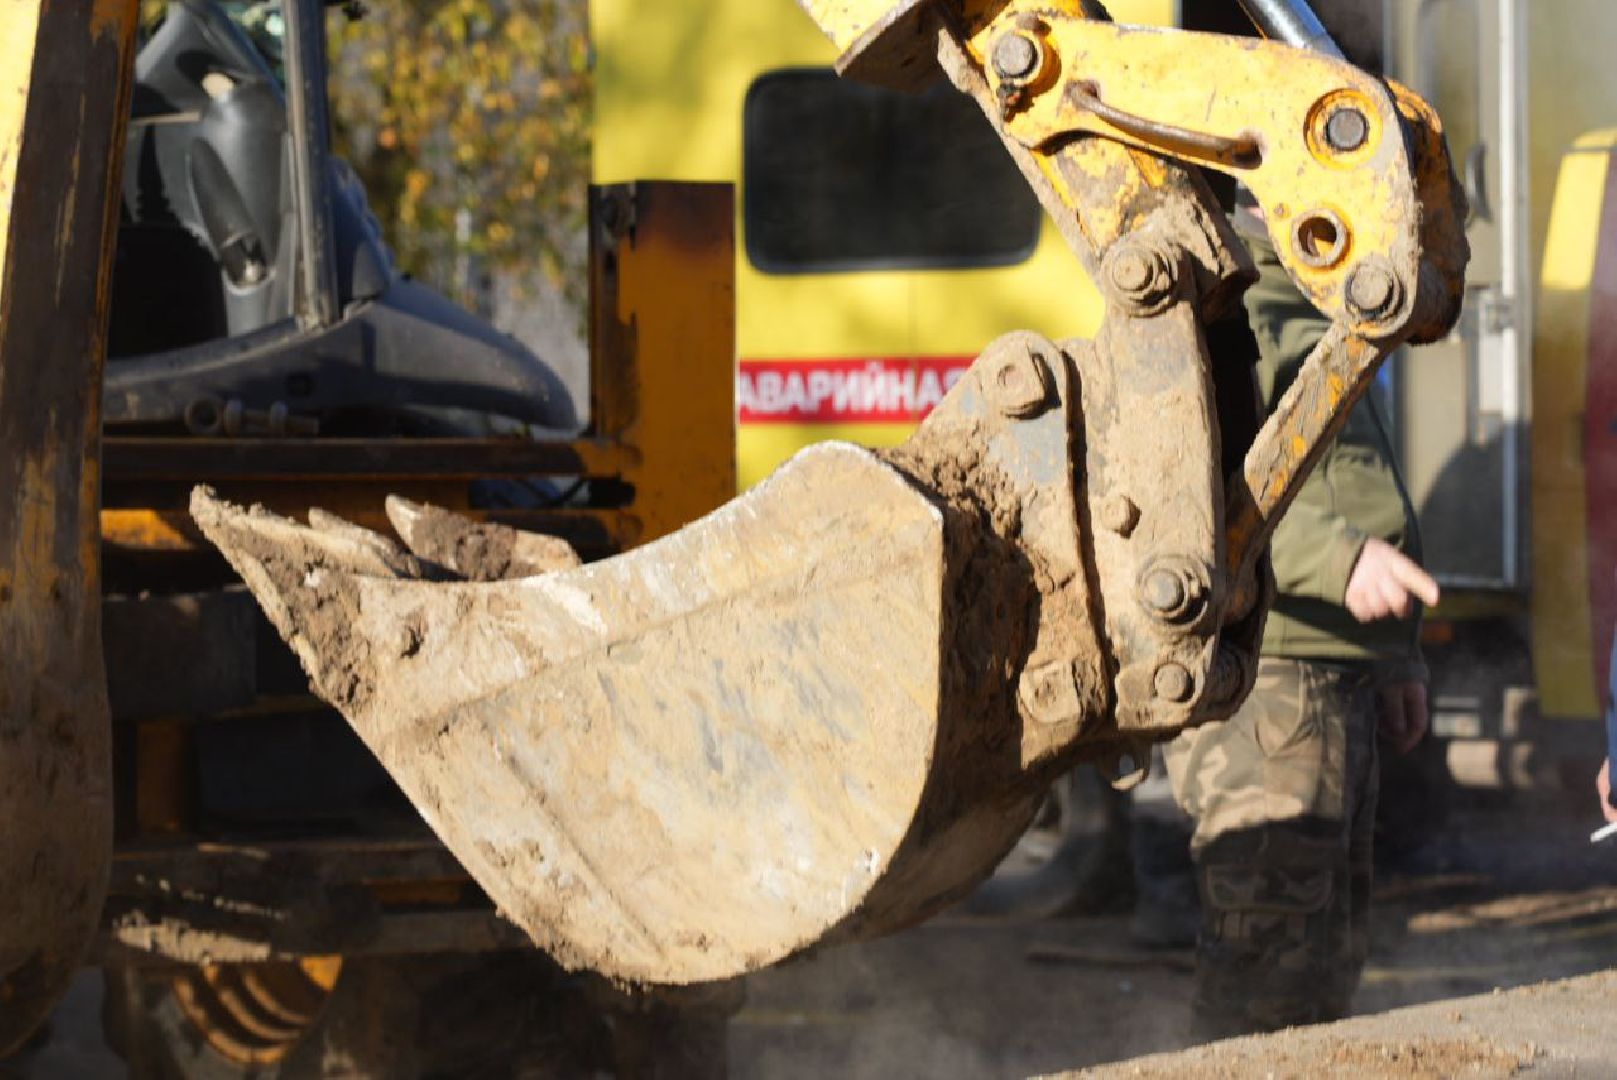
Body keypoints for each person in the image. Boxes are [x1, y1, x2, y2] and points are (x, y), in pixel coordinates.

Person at [1156, 211, 1440, 1038]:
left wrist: (1394, 658)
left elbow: (1337, 468)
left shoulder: (1310, 283)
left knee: (1321, 976)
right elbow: (1200, 472)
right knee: (1267, 985)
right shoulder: (1219, 291)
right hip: (1270, 674)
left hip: (1328, 670)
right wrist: (1337, 561)